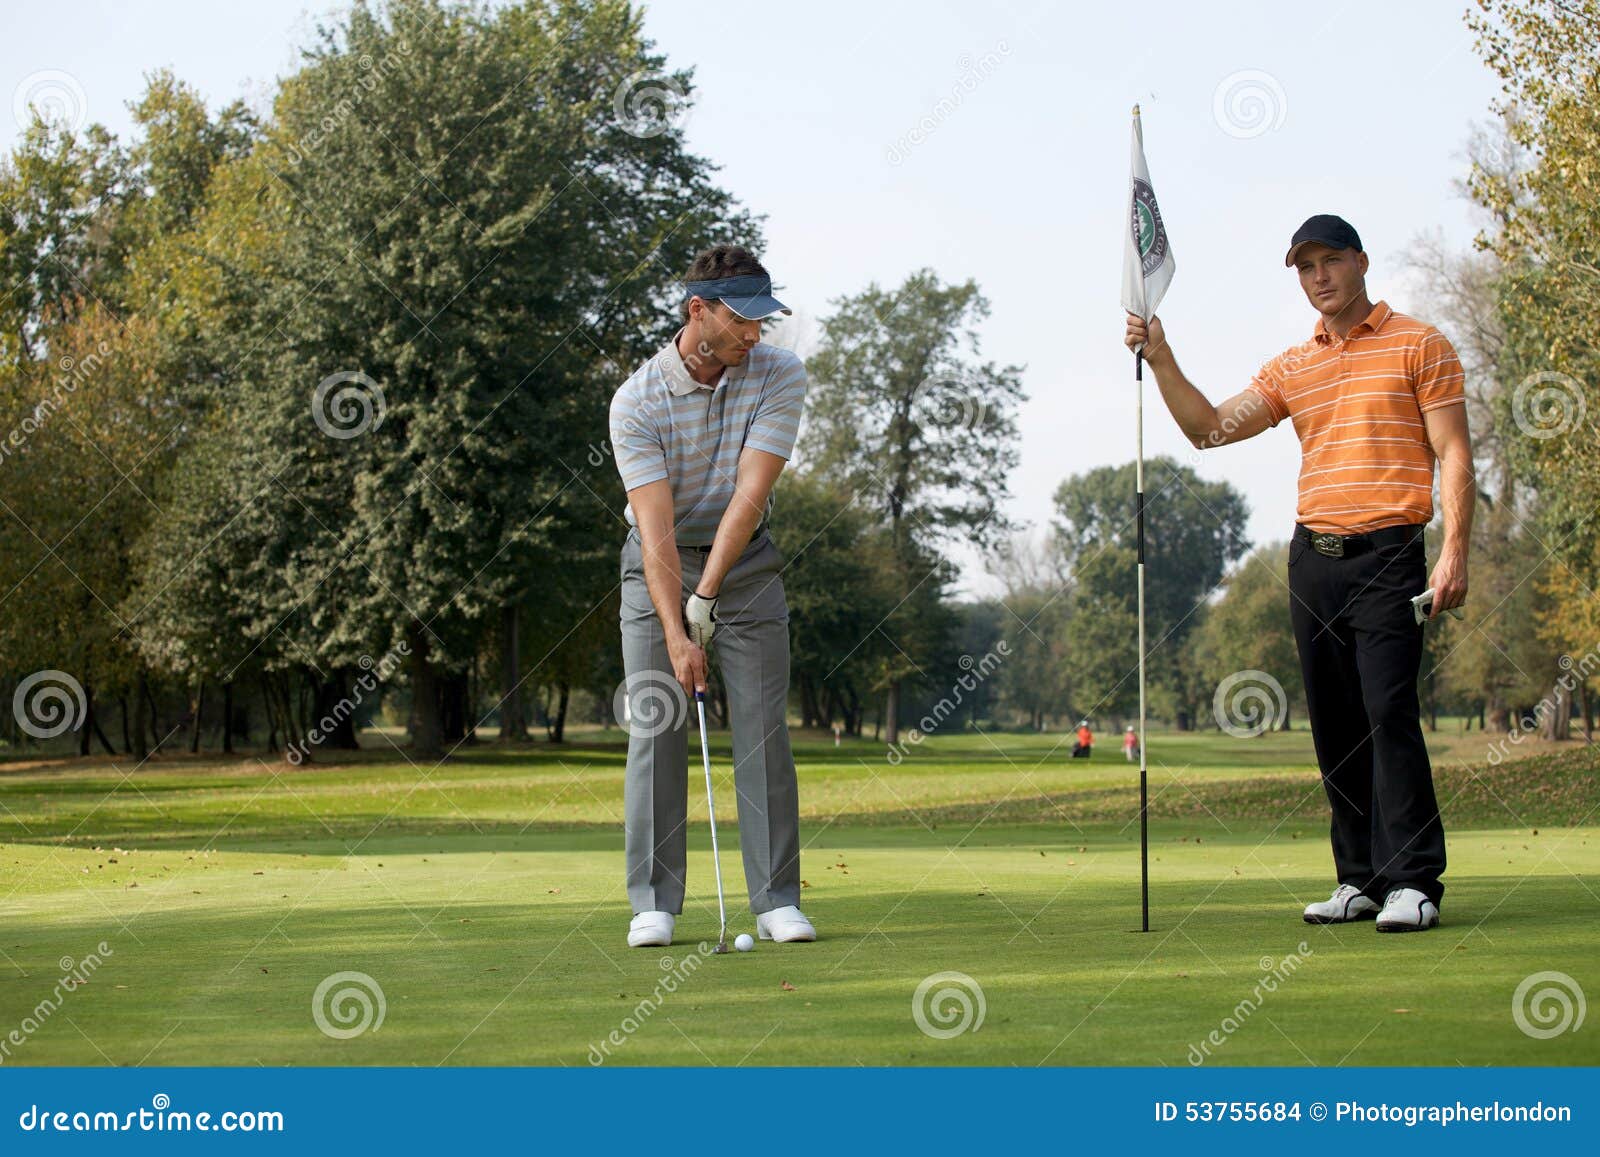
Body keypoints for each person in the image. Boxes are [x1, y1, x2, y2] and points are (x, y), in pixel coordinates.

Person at [1125, 214, 1473, 933]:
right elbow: (1209, 428)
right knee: (1337, 725)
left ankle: (1413, 880)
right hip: (1313, 561)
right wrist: (1161, 358)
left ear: (1361, 261)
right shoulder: (1294, 365)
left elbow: (1455, 453)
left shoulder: (1420, 343)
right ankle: (1360, 879)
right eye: (1305, 267)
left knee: (1387, 712)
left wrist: (1455, 549)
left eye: (1329, 261)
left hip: (1390, 557)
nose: (1318, 277)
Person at [608, 244, 815, 949]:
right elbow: (656, 531)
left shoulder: (779, 374)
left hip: (745, 562)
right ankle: (655, 902)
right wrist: (677, 627)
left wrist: (711, 592)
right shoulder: (636, 401)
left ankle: (776, 899)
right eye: (743, 320)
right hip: (657, 564)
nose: (756, 334)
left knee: (762, 727)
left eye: (763, 320)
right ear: (699, 311)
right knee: (657, 723)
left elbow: (749, 497)